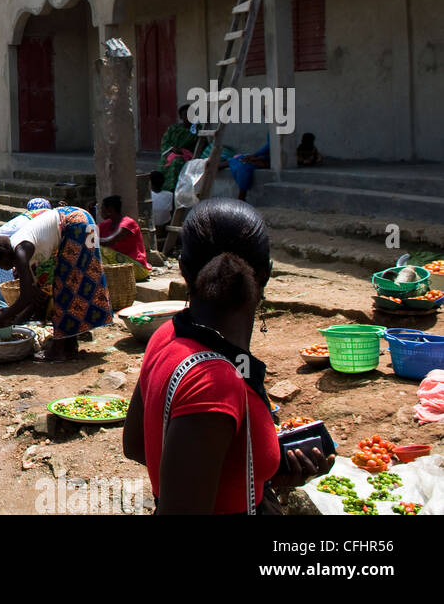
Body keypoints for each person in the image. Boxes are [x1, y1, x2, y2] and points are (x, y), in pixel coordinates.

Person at [121, 199, 333, 514]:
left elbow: (138, 445)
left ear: (182, 269)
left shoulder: (166, 336)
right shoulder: (215, 384)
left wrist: (255, 471)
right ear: (266, 274)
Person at [0, 205, 113, 360]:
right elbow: (34, 296)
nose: (2, 268)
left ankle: (59, 349)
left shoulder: (21, 251)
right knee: (70, 285)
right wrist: (13, 318)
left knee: (67, 287)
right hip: (81, 220)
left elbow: (25, 296)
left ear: (3, 256)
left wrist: (1, 318)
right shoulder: (22, 252)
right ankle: (69, 345)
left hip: (76, 224)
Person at [98, 195, 152, 282]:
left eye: (102, 208)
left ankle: (105, 280)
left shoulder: (128, 223)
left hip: (137, 268)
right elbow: (90, 234)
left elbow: (109, 241)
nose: (101, 211)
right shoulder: (105, 225)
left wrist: (92, 238)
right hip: (122, 266)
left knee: (100, 250)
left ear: (110, 209)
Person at [159, 105, 197, 192]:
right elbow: (165, 142)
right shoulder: (173, 129)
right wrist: (172, 150)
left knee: (177, 162)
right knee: (165, 162)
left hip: (187, 156)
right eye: (185, 115)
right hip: (171, 154)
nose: (188, 117)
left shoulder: (196, 130)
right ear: (181, 117)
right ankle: (165, 189)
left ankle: (175, 189)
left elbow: (200, 145)